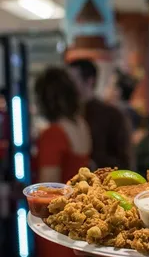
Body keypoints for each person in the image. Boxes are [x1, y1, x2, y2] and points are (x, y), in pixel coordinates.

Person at [34, 67, 91, 257]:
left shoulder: (53, 134)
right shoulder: (81, 124)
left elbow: (48, 190)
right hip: (78, 221)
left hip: (56, 228)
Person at [68, 60, 132, 170]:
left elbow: (124, 160)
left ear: (89, 81)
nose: (67, 86)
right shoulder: (68, 115)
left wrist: (94, 164)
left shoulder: (111, 115)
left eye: (73, 80)